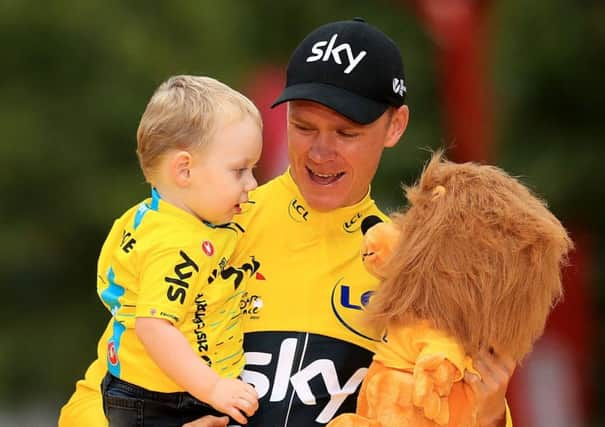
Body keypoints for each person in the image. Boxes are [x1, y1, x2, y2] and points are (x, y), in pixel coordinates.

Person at [59, 19, 514, 427]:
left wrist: (490, 412)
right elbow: (101, 393)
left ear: (395, 126)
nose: (320, 152)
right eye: (304, 127)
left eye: (346, 133)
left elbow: (440, 410)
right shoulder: (208, 224)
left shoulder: (410, 268)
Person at [84, 75, 262, 426]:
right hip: (158, 401)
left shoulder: (156, 216)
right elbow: (154, 326)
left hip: (169, 389)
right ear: (185, 169)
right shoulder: (173, 244)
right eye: (240, 170)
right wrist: (213, 388)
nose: (252, 184)